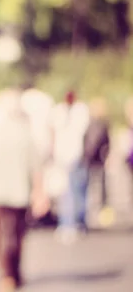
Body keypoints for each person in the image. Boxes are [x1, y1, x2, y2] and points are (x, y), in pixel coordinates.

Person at [0, 89, 45, 292]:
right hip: (20, 193)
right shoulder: (26, 133)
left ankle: (6, 274)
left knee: (0, 234)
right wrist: (39, 192)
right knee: (18, 235)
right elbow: (36, 166)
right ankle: (15, 272)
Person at [51, 90, 91, 243]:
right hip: (65, 156)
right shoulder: (62, 111)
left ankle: (74, 223)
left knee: (75, 191)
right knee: (69, 192)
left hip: (75, 155)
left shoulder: (79, 111)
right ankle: (71, 223)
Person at [82, 98, 111, 218]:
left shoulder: (93, 123)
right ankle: (99, 208)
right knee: (99, 186)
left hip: (93, 159)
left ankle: (96, 209)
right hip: (97, 159)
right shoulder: (100, 124)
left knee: (92, 185)